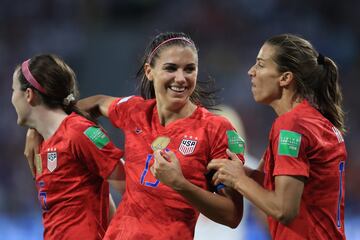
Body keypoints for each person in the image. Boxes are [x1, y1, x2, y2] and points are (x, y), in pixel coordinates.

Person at [77, 32, 245, 240]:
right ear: (149, 71)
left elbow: (232, 215)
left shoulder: (215, 130)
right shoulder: (135, 111)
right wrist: (88, 137)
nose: (181, 78)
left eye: (189, 69)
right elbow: (95, 103)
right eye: (171, 68)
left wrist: (179, 183)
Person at [208, 33, 347, 239]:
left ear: (285, 78)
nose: (251, 72)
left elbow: (284, 209)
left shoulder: (291, 126)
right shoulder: (316, 121)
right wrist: (236, 171)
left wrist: (237, 179)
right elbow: (282, 186)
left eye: (261, 65)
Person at [12, 54, 125, 240]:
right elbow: (102, 199)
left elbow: (131, 188)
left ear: (28, 95)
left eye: (13, 90)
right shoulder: (42, 143)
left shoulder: (79, 132)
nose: (11, 99)